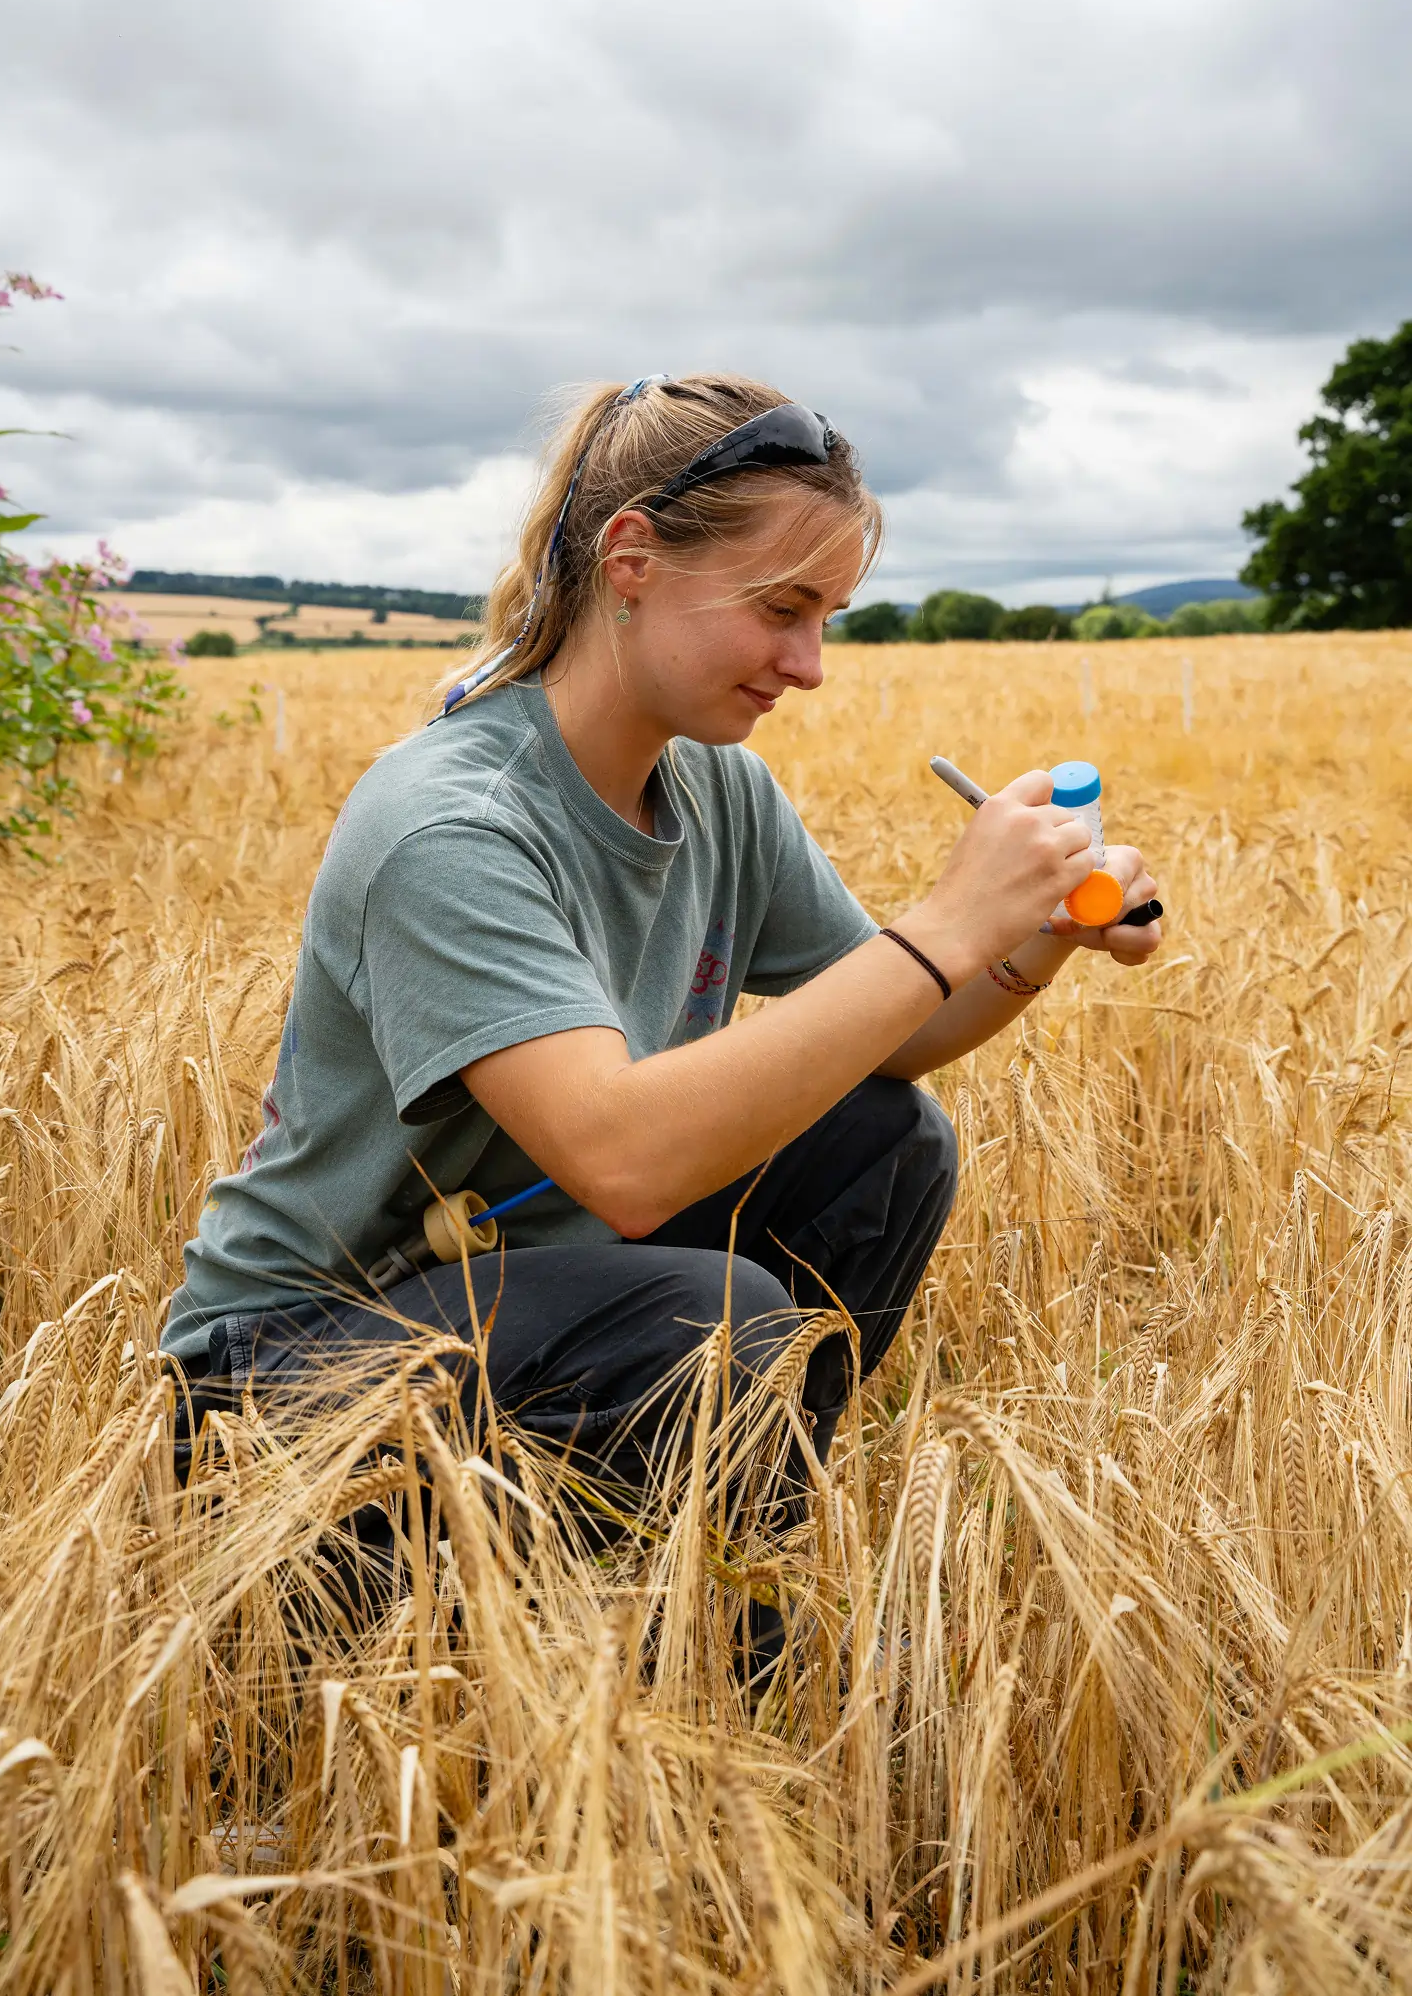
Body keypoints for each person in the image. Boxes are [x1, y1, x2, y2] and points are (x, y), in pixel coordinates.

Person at [162, 373, 1161, 1508]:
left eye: (825, 619)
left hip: (517, 1293)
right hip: (286, 1372)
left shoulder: (719, 791)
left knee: (885, 1142)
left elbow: (896, 1032)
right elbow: (622, 1166)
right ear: (631, 561)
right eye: (782, 609)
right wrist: (943, 923)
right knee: (718, 1320)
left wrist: (1033, 934)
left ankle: (720, 1542)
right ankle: (646, 1597)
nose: (810, 665)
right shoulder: (452, 826)